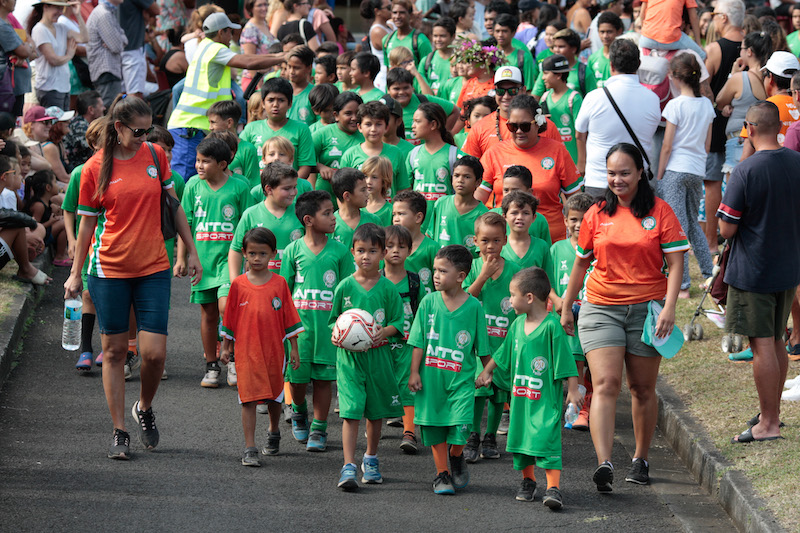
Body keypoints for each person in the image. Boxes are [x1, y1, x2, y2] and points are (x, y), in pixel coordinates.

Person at [64, 94, 202, 460]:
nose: (145, 137)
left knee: (154, 355)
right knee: (112, 351)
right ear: (119, 127)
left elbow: (174, 208)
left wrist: (190, 252)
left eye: (149, 129)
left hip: (153, 266)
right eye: (138, 131)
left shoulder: (156, 155)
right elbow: (85, 227)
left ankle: (143, 406)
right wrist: (75, 274)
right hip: (108, 269)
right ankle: (119, 430)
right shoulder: (94, 168)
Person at [560, 142, 688, 490]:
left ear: (640, 173)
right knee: (605, 384)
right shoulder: (596, 213)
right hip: (600, 308)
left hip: (646, 313)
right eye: (611, 173)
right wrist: (567, 305)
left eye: (624, 172)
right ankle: (604, 463)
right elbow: (581, 262)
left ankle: (641, 459)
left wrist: (671, 307)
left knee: (643, 389)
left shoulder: (660, 211)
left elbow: (676, 262)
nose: (617, 179)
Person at [718, 101, 800, 444]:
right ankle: (773, 415)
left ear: (749, 129)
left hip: (754, 270)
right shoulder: (796, 161)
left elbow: (726, 229)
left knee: (762, 343)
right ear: (779, 127)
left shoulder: (747, 170)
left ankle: (767, 422)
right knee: (778, 338)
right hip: (788, 266)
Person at [477, 267, 581, 509]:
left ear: (530, 297)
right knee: (522, 441)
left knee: (547, 441)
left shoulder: (552, 327)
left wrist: (573, 391)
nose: (510, 300)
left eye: (513, 295)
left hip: (545, 402)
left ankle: (553, 488)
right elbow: (503, 352)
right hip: (521, 401)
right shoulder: (516, 325)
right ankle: (528, 481)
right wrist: (487, 370)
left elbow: (566, 361)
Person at [408, 244, 491, 495]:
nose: (435, 275)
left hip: (461, 381)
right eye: (434, 270)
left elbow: (483, 347)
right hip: (431, 380)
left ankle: (456, 455)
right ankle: (441, 474)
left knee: (461, 426)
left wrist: (487, 371)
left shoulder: (474, 306)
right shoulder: (428, 302)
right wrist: (414, 372)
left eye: (442, 271)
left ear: (461, 276)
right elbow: (418, 341)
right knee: (434, 428)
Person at [167, 12, 284, 182]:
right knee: (186, 183)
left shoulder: (205, 46)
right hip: (189, 130)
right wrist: (281, 57)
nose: (232, 37)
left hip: (194, 128)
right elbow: (248, 62)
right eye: (230, 32)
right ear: (221, 32)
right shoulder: (215, 48)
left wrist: (278, 56)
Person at [220, 227, 303, 466]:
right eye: (252, 253)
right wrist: (226, 347)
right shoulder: (238, 285)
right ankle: (250, 447)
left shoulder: (279, 284)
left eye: (263, 253)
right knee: (247, 399)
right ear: (244, 253)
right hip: (246, 352)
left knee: (275, 396)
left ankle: (274, 431)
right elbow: (230, 320)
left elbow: (289, 317)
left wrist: (294, 348)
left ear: (274, 254)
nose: (257, 258)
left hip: (275, 352)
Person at [280, 190, 355, 451]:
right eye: (327, 213)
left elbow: (348, 292)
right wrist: (285, 327)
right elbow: (284, 292)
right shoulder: (292, 251)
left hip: (328, 330)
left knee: (324, 381)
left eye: (333, 212)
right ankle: (299, 410)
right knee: (298, 380)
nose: (334, 218)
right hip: (299, 332)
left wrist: (345, 324)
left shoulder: (341, 252)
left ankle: (319, 428)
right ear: (308, 220)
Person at [331, 223, 404, 490]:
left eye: (372, 251)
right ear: (352, 252)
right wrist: (337, 334)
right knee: (350, 413)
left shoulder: (388, 289)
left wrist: (382, 332)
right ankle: (348, 466)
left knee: (375, 414)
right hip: (350, 361)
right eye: (361, 250)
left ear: (383, 253)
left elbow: (399, 323)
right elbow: (333, 322)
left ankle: (371, 458)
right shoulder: (344, 287)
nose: (366, 256)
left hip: (378, 358)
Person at [177, 136, 252, 389]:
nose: (199, 165)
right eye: (197, 160)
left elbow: (249, 227)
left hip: (229, 261)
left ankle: (232, 358)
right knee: (208, 313)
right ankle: (211, 365)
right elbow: (184, 223)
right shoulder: (192, 186)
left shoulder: (240, 187)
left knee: (226, 307)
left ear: (222, 164)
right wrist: (182, 258)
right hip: (202, 261)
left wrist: (250, 262)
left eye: (205, 161)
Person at [479, 94, 582, 242]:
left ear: (537, 123)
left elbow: (575, 199)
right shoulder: (494, 153)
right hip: (506, 243)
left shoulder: (557, 151)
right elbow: (477, 199)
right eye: (513, 126)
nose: (519, 131)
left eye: (525, 126)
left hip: (551, 240)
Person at [462, 211, 521, 463]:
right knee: (478, 391)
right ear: (475, 241)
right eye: (485, 240)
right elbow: (465, 300)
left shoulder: (516, 270)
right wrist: (483, 275)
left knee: (499, 391)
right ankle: (473, 435)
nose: (491, 246)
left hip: (503, 343)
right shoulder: (471, 267)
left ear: (505, 240)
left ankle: (490, 437)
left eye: (496, 240)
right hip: (477, 345)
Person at [656, 53, 715, 299]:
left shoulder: (675, 105)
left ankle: (682, 285)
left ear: (676, 77)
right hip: (696, 170)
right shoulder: (707, 106)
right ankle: (711, 273)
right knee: (690, 224)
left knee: (676, 228)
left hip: (675, 169)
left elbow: (667, 145)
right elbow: (707, 145)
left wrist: (659, 176)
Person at [575, 38, 661, 198]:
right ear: (638, 64)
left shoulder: (594, 97)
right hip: (636, 183)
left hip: (599, 181)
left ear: (611, 65)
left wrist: (582, 163)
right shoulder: (653, 99)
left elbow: (579, 134)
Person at [549, 192, 595, 430]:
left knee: (592, 365)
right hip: (564, 316)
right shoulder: (557, 249)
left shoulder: (597, 249)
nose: (578, 225)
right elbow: (547, 281)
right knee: (570, 363)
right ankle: (570, 407)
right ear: (565, 220)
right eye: (573, 219)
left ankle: (586, 406)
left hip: (591, 314)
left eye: (584, 219)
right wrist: (557, 300)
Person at [703, 0, 745, 258]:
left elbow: (702, 87)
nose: (714, 19)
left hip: (716, 127)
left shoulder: (715, 50)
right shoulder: (752, 47)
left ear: (725, 18)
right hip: (748, 128)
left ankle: (711, 241)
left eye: (716, 14)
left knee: (712, 183)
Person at [381, 223, 424, 452]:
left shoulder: (415, 282)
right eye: (389, 246)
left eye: (401, 246)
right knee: (379, 385)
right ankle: (375, 425)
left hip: (408, 343)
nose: (395, 251)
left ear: (410, 250)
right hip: (381, 343)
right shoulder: (375, 279)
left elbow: (424, 314)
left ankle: (409, 431)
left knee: (408, 388)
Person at [462, 66, 561, 160]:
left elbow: (560, 162)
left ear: (523, 90)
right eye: (500, 91)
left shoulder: (544, 125)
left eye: (512, 91)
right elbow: (468, 168)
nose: (506, 96)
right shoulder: (479, 128)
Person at [238, 77, 315, 181]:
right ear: (263, 103)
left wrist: (286, 186)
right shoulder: (251, 128)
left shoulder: (301, 129)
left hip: (289, 191)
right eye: (270, 100)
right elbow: (239, 159)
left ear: (290, 103)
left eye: (281, 100)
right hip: (258, 191)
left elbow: (305, 167)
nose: (275, 105)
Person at [406, 102, 463, 219]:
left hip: (446, 221)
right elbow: (407, 191)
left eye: (417, 121)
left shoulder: (455, 155)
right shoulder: (413, 154)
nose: (413, 126)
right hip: (419, 224)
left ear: (433, 124)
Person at [29, 0, 88, 110]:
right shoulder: (39, 29)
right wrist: (69, 55)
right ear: (46, 7)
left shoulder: (61, 27)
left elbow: (84, 38)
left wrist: (78, 15)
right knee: (55, 125)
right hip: (49, 87)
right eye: (57, 8)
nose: (60, 12)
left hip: (64, 86)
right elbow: (53, 60)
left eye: (62, 8)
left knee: (62, 123)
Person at [427, 155, 487, 257]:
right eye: (456, 175)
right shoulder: (440, 203)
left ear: (478, 182)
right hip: (441, 268)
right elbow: (429, 236)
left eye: (467, 177)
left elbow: (482, 252)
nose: (460, 180)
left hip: (467, 270)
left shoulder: (483, 214)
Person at [313, 92, 364, 203]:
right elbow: (303, 159)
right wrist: (321, 167)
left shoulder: (366, 135)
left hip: (356, 200)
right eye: (348, 113)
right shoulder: (322, 134)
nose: (354, 118)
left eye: (358, 113)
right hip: (325, 198)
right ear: (336, 115)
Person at [392, 189, 440, 295]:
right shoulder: (388, 248)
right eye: (394, 214)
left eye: (401, 214)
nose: (396, 219)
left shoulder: (432, 248)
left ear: (418, 217)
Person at [539, 54, 583, 163]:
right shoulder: (544, 98)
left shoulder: (574, 99)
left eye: (545, 73)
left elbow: (581, 133)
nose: (543, 78)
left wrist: (582, 161)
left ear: (558, 75)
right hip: (551, 158)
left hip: (572, 158)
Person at [208, 100, 260, 188]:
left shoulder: (247, 149)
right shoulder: (208, 147)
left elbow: (252, 183)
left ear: (229, 122)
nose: (210, 128)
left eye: (213, 122)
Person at [532, 29, 596, 98]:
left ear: (574, 49)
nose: (557, 50)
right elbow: (536, 96)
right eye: (555, 46)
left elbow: (593, 98)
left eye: (561, 47)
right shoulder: (548, 68)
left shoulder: (584, 71)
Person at [23, 169, 68, 265]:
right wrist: (51, 222)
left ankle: (63, 253)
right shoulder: (38, 206)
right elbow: (35, 227)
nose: (57, 185)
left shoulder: (49, 202)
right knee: (64, 223)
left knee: (64, 221)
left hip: (47, 233)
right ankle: (60, 256)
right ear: (48, 187)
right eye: (55, 182)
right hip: (41, 238)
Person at [331, 167, 382, 249]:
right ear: (347, 196)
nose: (367, 193)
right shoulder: (331, 224)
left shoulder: (374, 221)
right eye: (363, 190)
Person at [119, 0, 160, 99]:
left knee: (123, 95)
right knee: (135, 96)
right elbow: (156, 10)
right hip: (131, 49)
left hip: (119, 47)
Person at [240, 0, 279, 91]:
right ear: (251, 8)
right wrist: (259, 85)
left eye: (266, 4)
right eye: (260, 5)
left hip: (268, 79)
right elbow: (250, 60)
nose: (264, 8)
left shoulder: (264, 24)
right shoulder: (250, 29)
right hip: (255, 81)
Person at [64, 90, 104, 171]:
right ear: (91, 109)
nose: (104, 108)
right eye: (101, 106)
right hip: (77, 170)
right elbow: (96, 147)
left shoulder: (85, 124)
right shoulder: (79, 126)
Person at [383, 0, 432, 66]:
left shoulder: (421, 40)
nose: (397, 16)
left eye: (402, 13)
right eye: (395, 13)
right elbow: (388, 69)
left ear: (411, 15)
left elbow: (427, 69)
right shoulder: (386, 40)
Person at [360, 0, 393, 91]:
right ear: (377, 11)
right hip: (384, 77)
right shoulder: (377, 31)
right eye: (389, 8)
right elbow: (395, 51)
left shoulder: (388, 25)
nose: (392, 11)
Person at [587, 12, 624, 88]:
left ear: (619, 31)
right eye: (602, 32)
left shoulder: (623, 57)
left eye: (609, 32)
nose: (605, 36)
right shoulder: (593, 58)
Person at [420, 16, 455, 96]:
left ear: (453, 36)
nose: (438, 40)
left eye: (442, 36)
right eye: (435, 36)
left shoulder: (460, 61)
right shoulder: (426, 61)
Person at [362, 155, 393, 225]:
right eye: (365, 176)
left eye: (374, 177)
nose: (368, 181)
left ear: (384, 180)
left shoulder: (391, 211)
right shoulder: (358, 208)